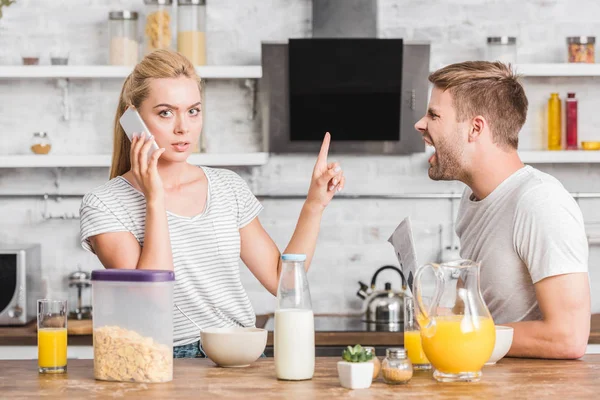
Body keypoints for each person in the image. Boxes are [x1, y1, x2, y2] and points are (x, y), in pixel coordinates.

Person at [79, 49, 345, 358]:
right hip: (166, 360)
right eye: (165, 112)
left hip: (239, 351)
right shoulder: (104, 204)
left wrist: (314, 204)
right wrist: (155, 198)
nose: (183, 127)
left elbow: (281, 282)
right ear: (132, 119)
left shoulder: (227, 186)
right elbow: (152, 297)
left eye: (193, 111)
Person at [414, 61, 590, 359]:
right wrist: (441, 319)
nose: (421, 124)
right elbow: (477, 311)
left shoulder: (540, 201)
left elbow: (568, 337)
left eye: (434, 115)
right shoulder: (472, 197)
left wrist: (459, 331)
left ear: (475, 128)